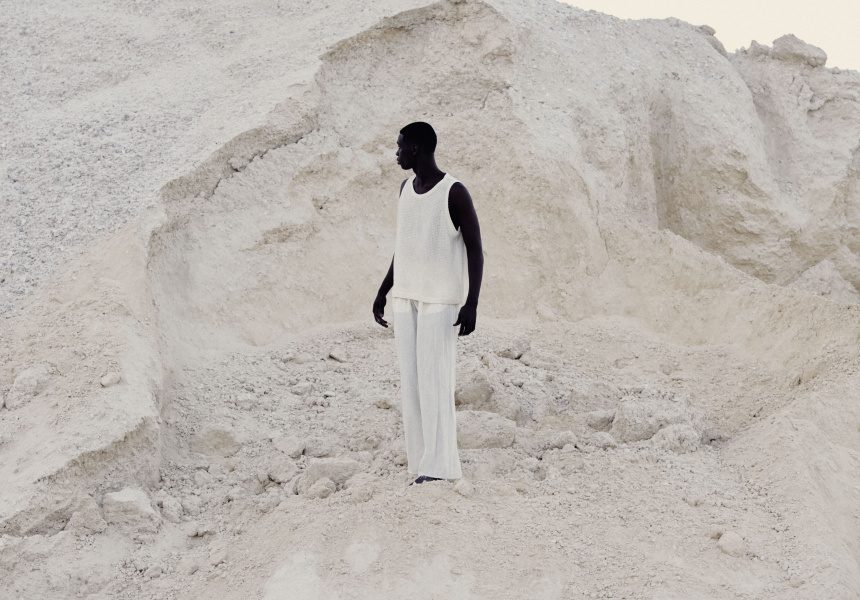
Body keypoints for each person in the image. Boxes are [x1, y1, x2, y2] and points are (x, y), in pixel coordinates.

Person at [372, 122, 484, 485]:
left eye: (400, 146)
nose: (396, 153)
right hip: (406, 298)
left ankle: (440, 468)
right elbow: (403, 246)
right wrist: (384, 291)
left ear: (416, 148)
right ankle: (421, 463)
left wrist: (471, 303)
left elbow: (475, 250)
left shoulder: (454, 192)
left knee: (436, 383)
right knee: (413, 384)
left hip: (440, 302)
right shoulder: (405, 189)